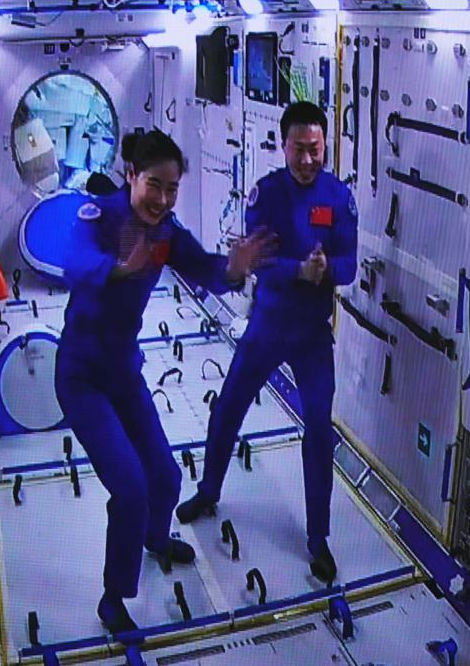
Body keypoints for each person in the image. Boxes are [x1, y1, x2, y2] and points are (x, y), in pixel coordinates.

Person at [56, 129, 276, 633]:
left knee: (166, 477)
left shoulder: (166, 234)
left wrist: (234, 270)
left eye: (172, 188)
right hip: (82, 378)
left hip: (123, 373)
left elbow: (206, 270)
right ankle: (113, 597)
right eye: (154, 184)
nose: (162, 198)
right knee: (131, 488)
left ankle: (155, 538)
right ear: (131, 175)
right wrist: (118, 268)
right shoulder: (100, 216)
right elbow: (75, 264)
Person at [175, 101, 358, 584]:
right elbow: (256, 261)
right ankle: (208, 491)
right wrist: (299, 270)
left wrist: (327, 269)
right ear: (284, 146)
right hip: (268, 325)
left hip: (312, 335)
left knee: (318, 427)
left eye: (315, 149)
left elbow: (350, 264)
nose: (307, 159)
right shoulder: (267, 194)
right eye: (299, 149)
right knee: (228, 406)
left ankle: (317, 538)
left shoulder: (338, 198)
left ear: (325, 146)